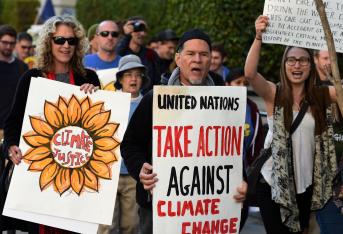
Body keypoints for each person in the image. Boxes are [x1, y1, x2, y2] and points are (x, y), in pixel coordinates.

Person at [121, 29, 248, 234]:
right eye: (190, 54)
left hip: (209, 212)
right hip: (159, 208)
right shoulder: (154, 99)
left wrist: (241, 182)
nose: (197, 59)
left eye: (204, 54)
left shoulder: (226, 104)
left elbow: (230, 151)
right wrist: (140, 169)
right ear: (178, 59)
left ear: (210, 61)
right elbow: (130, 144)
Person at [3, 15, 100, 233]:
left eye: (71, 41)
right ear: (49, 42)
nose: (66, 45)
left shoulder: (90, 78)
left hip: (77, 174)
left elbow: (98, 127)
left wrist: (96, 99)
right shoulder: (31, 78)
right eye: (59, 40)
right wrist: (10, 147)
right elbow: (13, 122)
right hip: (41, 176)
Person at [244, 15, 339, 234]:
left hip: (305, 186)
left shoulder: (321, 95)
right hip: (273, 185)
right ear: (284, 65)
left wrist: (333, 70)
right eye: (291, 60)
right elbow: (250, 74)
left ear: (311, 65)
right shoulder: (274, 94)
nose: (297, 65)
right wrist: (258, 37)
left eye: (303, 60)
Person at [98, 55, 148, 234]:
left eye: (138, 74)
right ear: (120, 79)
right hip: (107, 173)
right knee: (106, 227)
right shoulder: (106, 101)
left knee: (131, 226)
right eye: (128, 75)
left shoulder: (148, 104)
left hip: (134, 176)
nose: (133, 79)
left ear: (143, 79)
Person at [225, 68, 264, 230]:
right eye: (237, 82)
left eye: (245, 83)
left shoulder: (252, 108)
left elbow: (257, 142)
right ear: (227, 85)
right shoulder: (214, 106)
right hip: (219, 172)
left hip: (243, 173)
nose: (242, 86)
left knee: (238, 219)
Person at [314, 50, 343, 234]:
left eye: (331, 58)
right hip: (326, 189)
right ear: (315, 59)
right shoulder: (312, 90)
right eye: (325, 58)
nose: (329, 63)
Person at [0, 25, 28, 141]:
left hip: (13, 130)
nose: (8, 46)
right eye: (5, 42)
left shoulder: (23, 67)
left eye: (11, 43)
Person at [117, 16, 159, 91]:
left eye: (145, 30)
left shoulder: (151, 54)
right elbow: (116, 55)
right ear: (130, 30)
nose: (142, 33)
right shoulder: (121, 52)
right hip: (122, 99)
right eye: (139, 29)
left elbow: (157, 81)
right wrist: (126, 35)